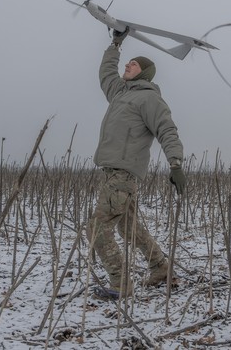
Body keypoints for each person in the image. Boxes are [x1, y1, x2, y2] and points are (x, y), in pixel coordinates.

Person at [87, 26, 187, 299]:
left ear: (143, 73)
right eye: (128, 62)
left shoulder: (149, 98)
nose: (128, 65)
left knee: (97, 228)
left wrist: (175, 163)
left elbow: (167, 129)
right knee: (127, 226)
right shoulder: (120, 94)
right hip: (113, 172)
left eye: (134, 64)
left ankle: (121, 284)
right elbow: (106, 73)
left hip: (123, 173)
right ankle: (161, 268)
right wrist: (115, 45)